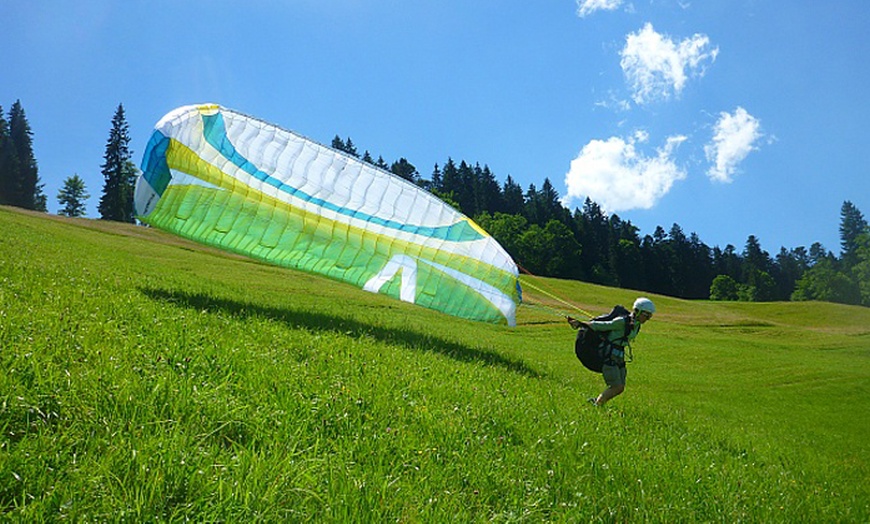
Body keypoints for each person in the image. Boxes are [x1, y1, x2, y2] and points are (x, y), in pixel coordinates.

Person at [568, 297, 656, 406]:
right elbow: (601, 326)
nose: (647, 319)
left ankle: (597, 402)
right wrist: (580, 324)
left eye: (649, 316)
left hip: (619, 357)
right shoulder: (621, 322)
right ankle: (597, 405)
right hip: (608, 356)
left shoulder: (636, 326)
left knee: (620, 387)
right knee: (616, 387)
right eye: (646, 315)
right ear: (637, 311)